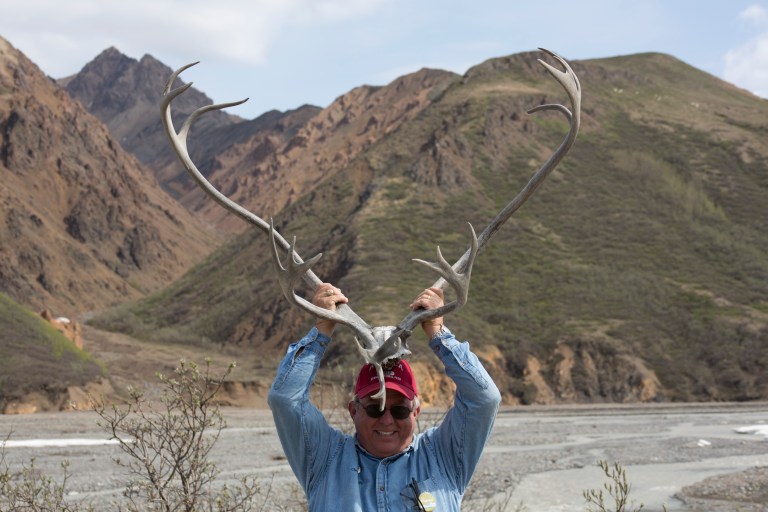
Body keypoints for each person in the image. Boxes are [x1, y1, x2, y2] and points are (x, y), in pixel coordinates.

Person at [268, 282, 501, 511]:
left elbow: (484, 399)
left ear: (416, 412)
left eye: (399, 409)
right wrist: (322, 327)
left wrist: (438, 332)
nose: (387, 420)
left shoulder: (443, 457)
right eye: (375, 408)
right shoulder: (325, 459)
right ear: (353, 410)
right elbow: (285, 399)